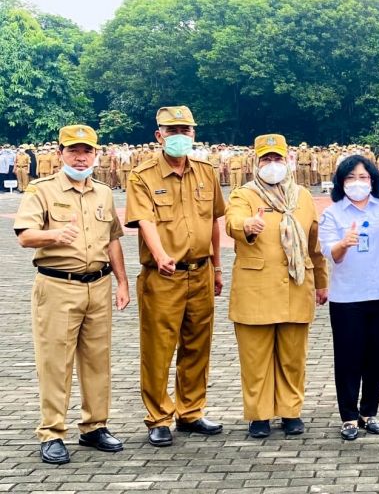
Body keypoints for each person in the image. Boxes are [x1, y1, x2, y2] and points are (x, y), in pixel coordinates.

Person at [13, 125, 130, 465]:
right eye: (74, 151)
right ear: (61, 152)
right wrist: (54, 236)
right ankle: (52, 432)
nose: (81, 157)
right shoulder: (42, 190)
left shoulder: (103, 193)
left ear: (96, 154)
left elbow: (113, 239)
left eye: (87, 151)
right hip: (58, 286)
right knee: (55, 362)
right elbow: (24, 235)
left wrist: (122, 282)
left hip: (99, 285)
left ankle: (94, 426)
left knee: (97, 361)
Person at [125, 106, 226, 447]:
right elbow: (144, 221)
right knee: (158, 347)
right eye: (173, 130)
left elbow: (213, 220)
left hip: (199, 273)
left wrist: (217, 267)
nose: (180, 136)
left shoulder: (206, 172)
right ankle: (158, 416)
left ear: (194, 134)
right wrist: (159, 254)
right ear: (159, 136)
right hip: (162, 276)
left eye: (186, 130)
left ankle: (191, 411)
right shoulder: (142, 175)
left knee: (198, 344)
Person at [225, 134, 329, 438]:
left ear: (288, 161)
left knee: (293, 357)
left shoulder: (303, 196)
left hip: (296, 287)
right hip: (255, 288)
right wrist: (248, 226)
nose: (272, 165)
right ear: (256, 163)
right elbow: (234, 220)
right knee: (255, 357)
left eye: (277, 159)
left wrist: (321, 282)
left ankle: (290, 411)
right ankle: (259, 415)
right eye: (266, 160)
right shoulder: (244, 195)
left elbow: (314, 244)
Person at [320, 155, 379, 441]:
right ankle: (348, 416)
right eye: (350, 178)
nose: (357, 183)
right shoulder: (332, 214)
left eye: (363, 177)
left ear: (373, 180)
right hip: (347, 298)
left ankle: (369, 411)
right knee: (348, 357)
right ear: (340, 183)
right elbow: (330, 253)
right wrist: (344, 244)